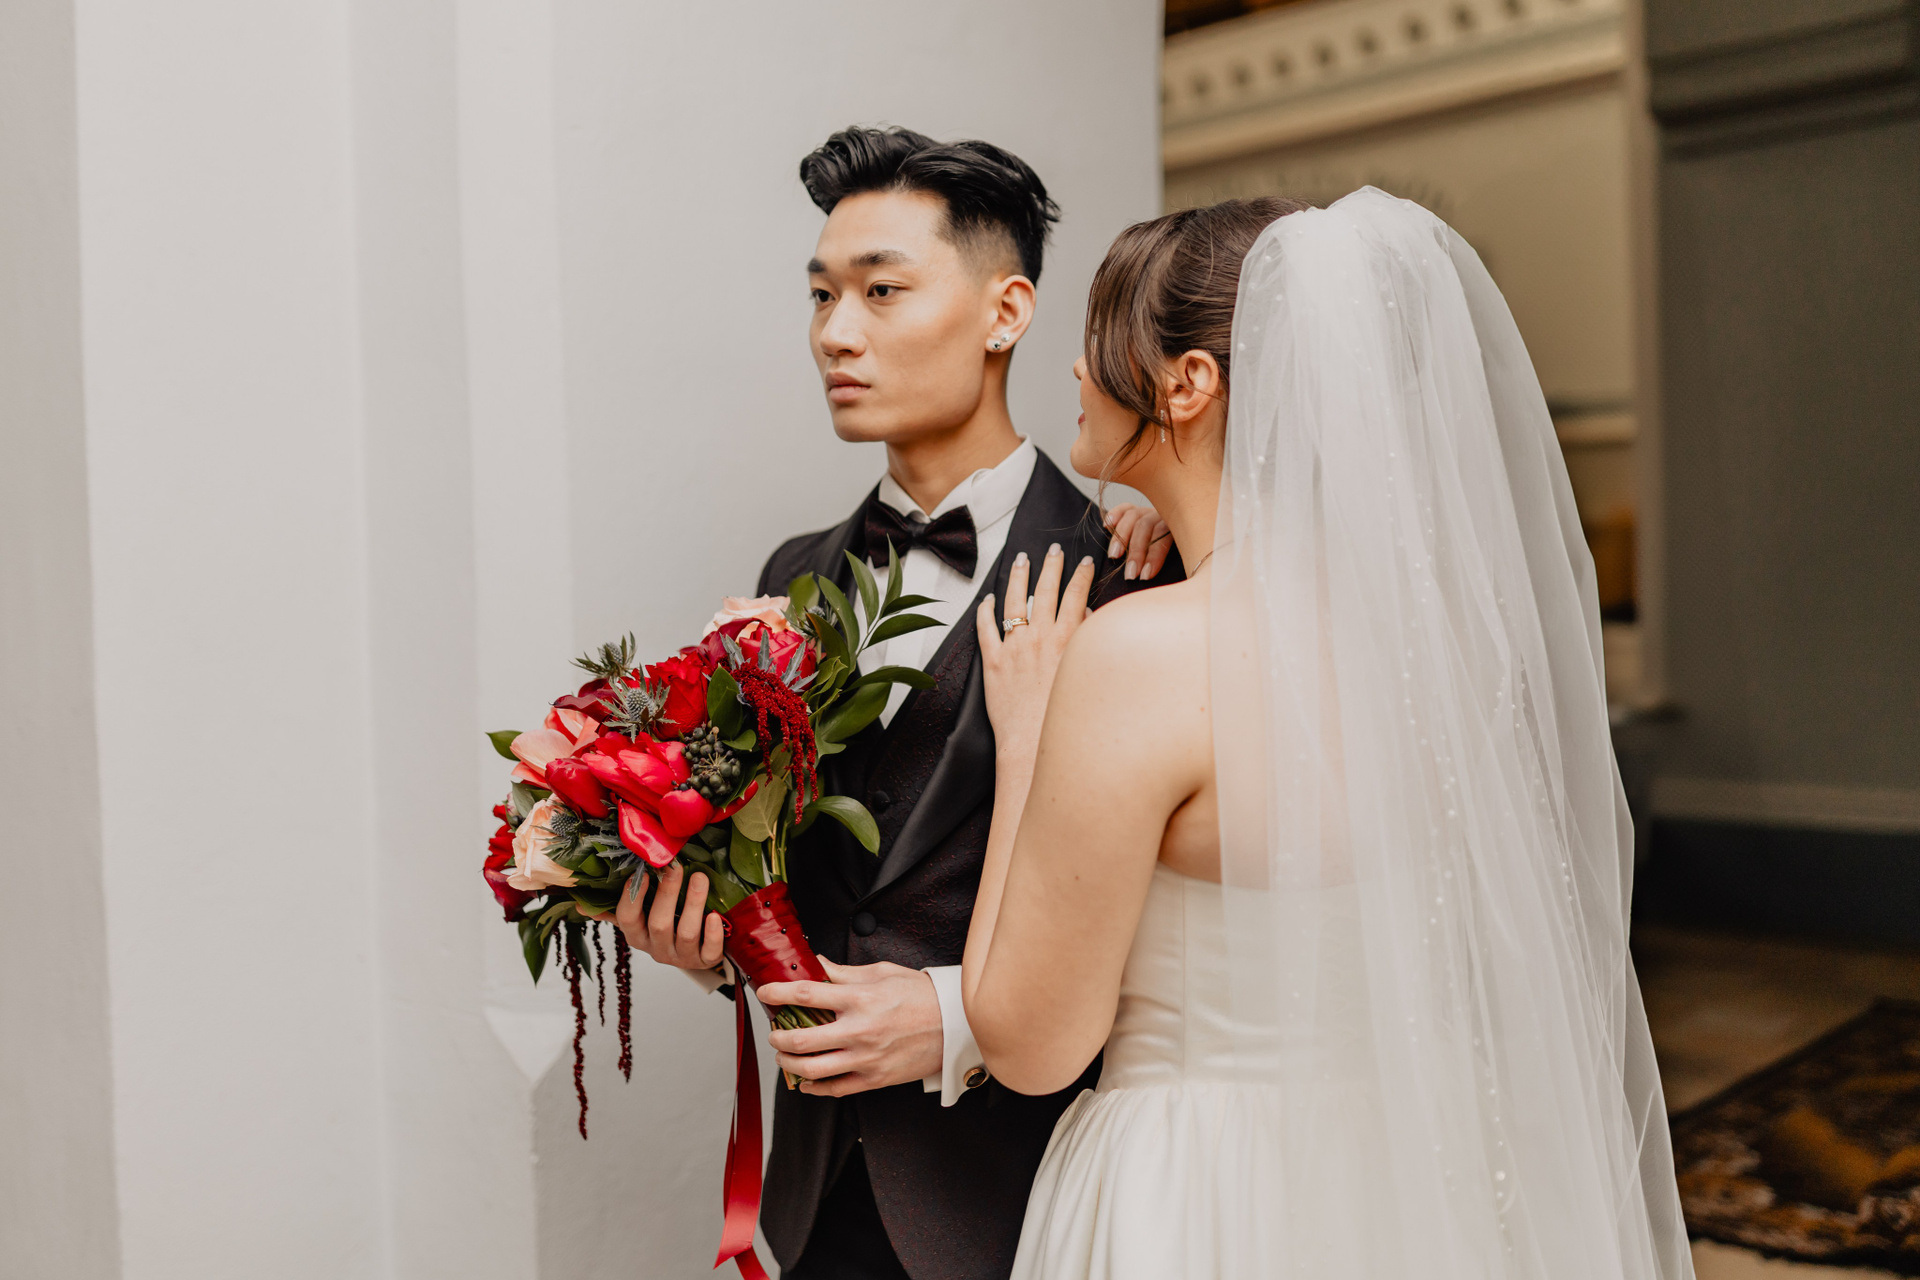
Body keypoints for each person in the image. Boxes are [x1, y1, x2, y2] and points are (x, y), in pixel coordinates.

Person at [961, 190, 1695, 1280]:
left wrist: (1024, 736)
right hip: (1421, 1177)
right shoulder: (1447, 644)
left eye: (1099, 335)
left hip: (1199, 1194)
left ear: (1187, 383)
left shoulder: (1139, 658)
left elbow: (1030, 1044)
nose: (1075, 368)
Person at [607, 126, 1177, 1280]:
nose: (835, 332)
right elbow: (796, 870)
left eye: (880, 290)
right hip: (819, 1197)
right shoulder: (791, 576)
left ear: (1006, 311)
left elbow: (1182, 906)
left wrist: (959, 1016)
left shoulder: (1128, 566)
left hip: (1026, 1184)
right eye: (821, 294)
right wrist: (700, 936)